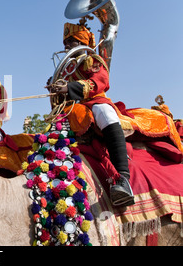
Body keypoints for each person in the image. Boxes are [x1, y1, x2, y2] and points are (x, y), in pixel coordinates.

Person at [47, 21, 134, 207]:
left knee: (104, 112)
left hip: (96, 100)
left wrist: (69, 87)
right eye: (66, 42)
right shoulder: (66, 69)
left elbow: (100, 82)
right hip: (75, 109)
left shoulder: (92, 60)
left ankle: (124, 180)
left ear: (82, 44)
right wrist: (55, 89)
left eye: (72, 41)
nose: (67, 46)